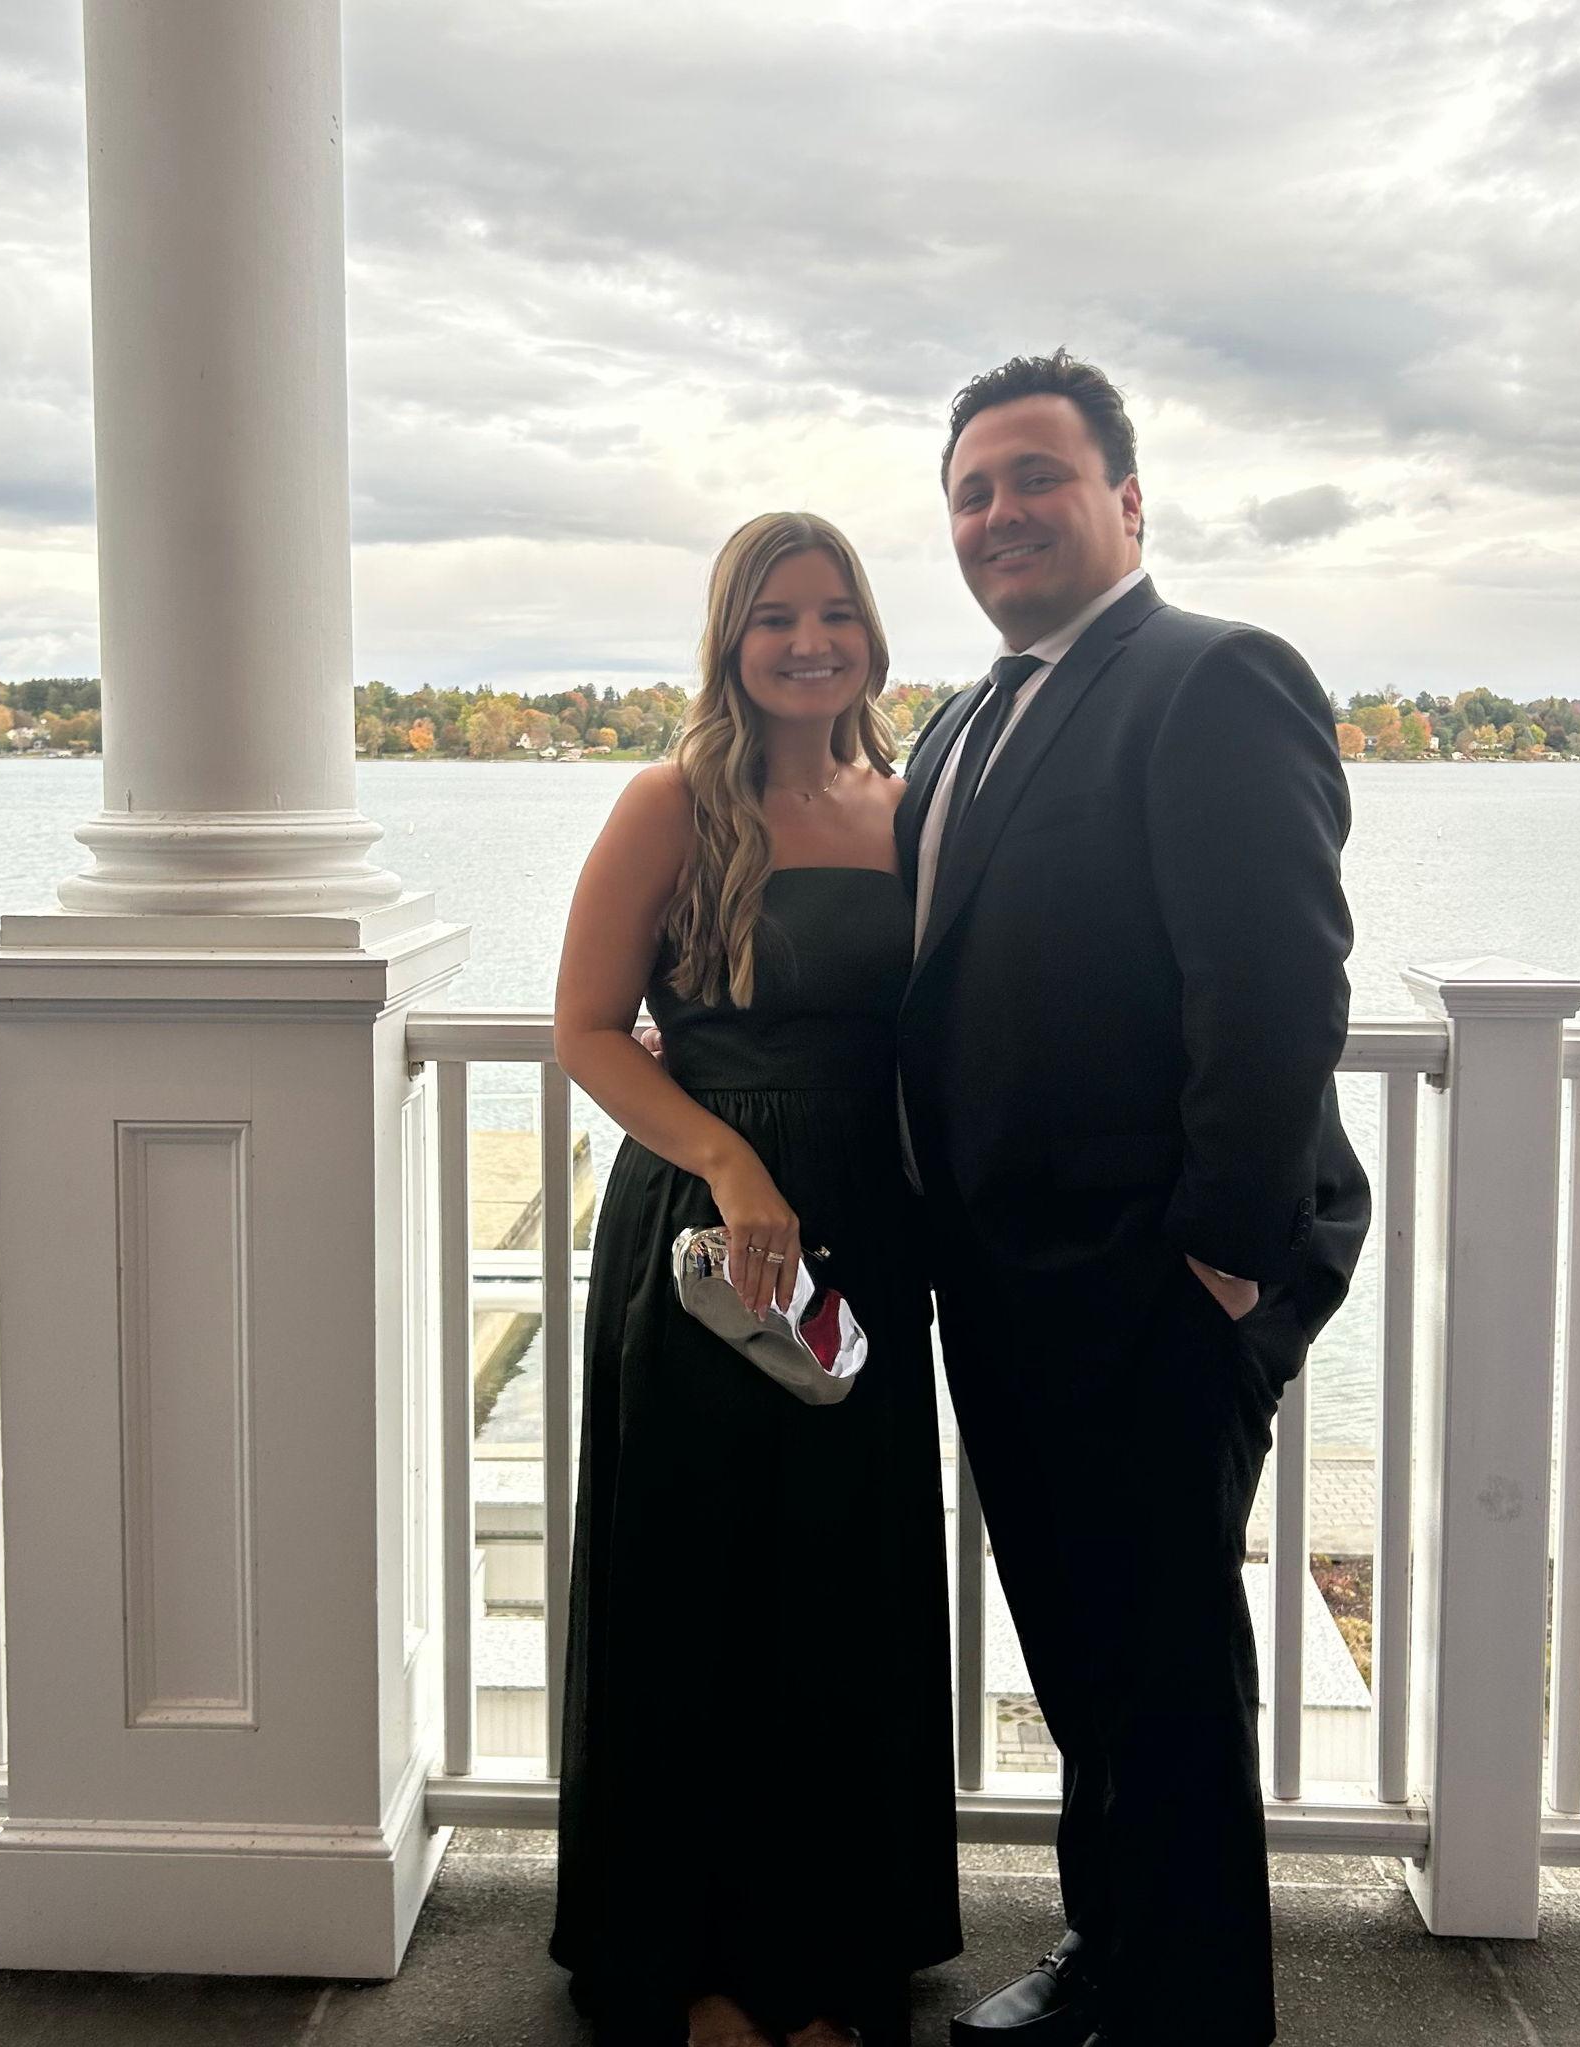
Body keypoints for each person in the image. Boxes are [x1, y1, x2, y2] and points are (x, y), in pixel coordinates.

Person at [895, 353, 1371, 2047]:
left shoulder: (1212, 678)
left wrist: (1221, 1270)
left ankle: (1191, 2016)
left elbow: (1277, 984)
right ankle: (1113, 1956)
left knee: (1162, 1672)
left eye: (1037, 476)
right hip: (1003, 1281)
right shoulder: (962, 722)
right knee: (1086, 1652)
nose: (1000, 512)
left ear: (1128, 501)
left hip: (1155, 1283)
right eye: (972, 490)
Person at [550, 511, 962, 2047]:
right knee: (698, 1589)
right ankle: (696, 1966)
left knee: (843, 1595)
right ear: (732, 641)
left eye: (835, 612)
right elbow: (587, 1030)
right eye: (776, 616)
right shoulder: (671, 801)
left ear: (870, 634)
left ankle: (831, 1961)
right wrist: (731, 1166)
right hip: (711, 1249)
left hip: (867, 1236)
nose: (809, 642)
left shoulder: (909, 809)